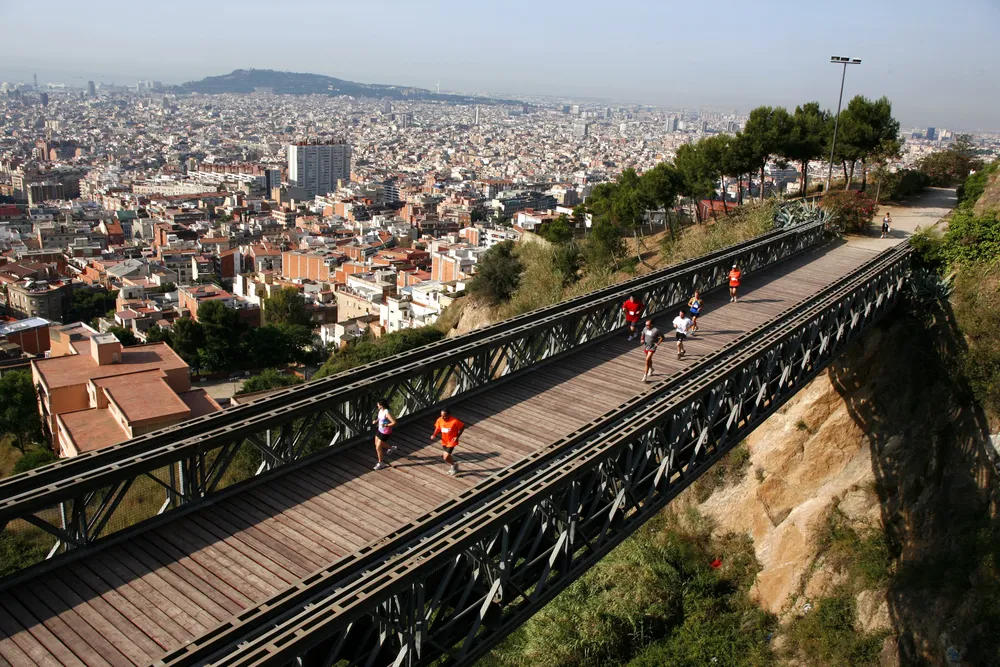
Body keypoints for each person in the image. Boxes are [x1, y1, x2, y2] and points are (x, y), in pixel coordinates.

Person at [431, 407, 465, 475]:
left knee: (446, 457)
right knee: (446, 457)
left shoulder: (454, 421)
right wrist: (434, 435)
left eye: (444, 416)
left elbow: (462, 426)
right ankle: (454, 465)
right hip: (444, 441)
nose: (443, 417)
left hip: (451, 441)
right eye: (441, 415)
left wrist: (457, 436)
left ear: (449, 415)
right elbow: (438, 428)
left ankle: (453, 467)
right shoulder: (440, 420)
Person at [371, 398, 397, 470]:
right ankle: (391, 448)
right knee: (377, 444)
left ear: (381, 405)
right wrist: (376, 421)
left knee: (378, 447)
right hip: (380, 430)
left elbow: (394, 422)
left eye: (378, 404)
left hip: (386, 431)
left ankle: (380, 463)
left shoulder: (387, 412)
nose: (377, 405)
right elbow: (380, 418)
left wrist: (386, 425)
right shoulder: (380, 410)